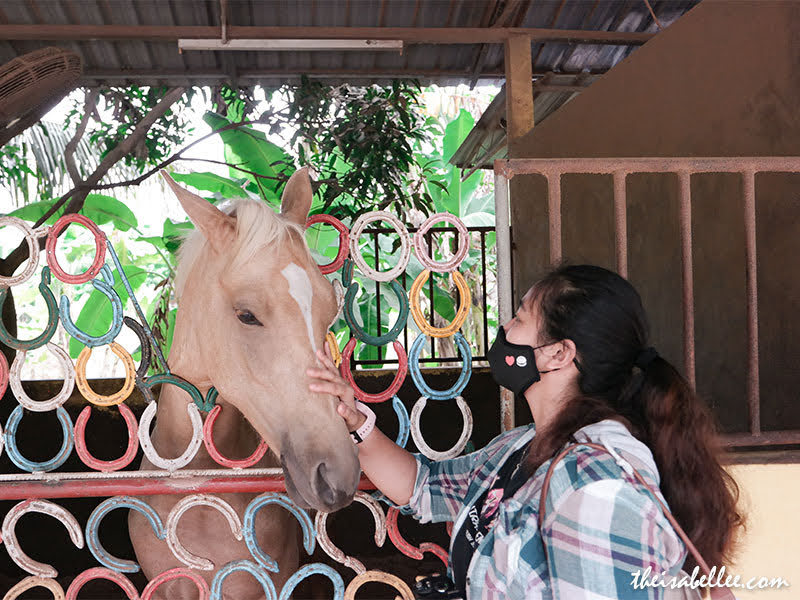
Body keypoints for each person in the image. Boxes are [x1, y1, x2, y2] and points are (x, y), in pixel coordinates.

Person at [307, 264, 743, 599]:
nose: (503, 331)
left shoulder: (595, 485)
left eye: (518, 318)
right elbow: (423, 486)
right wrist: (355, 419)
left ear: (557, 354)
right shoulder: (520, 449)